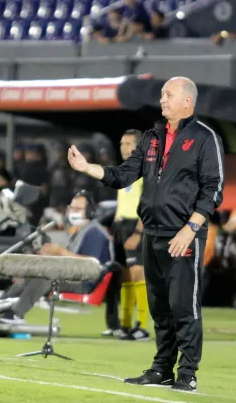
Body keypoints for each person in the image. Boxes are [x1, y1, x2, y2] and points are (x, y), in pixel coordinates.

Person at [67, 77, 225, 392]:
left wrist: (190, 229)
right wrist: (88, 168)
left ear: (187, 101)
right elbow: (124, 174)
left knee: (184, 307)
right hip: (153, 234)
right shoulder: (152, 137)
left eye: (168, 94)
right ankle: (162, 369)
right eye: (162, 94)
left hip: (184, 235)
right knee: (160, 308)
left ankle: (187, 373)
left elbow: (214, 189)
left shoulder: (206, 137)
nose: (162, 99)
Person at [0, 191, 116, 324]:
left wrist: (60, 252)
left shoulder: (95, 233)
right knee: (31, 274)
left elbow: (91, 265)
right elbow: (69, 259)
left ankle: (15, 314)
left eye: (78, 209)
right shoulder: (81, 230)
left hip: (85, 281)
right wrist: (51, 254)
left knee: (47, 277)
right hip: (73, 274)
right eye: (72, 208)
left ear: (89, 211)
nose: (73, 212)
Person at [104, 129, 150, 341]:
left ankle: (142, 325)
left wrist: (139, 232)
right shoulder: (125, 170)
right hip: (121, 226)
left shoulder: (147, 171)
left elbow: (147, 205)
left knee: (138, 273)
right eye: (122, 143)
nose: (124, 148)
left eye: (128, 144)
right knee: (124, 276)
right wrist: (114, 224)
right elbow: (125, 201)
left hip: (136, 226)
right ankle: (124, 324)